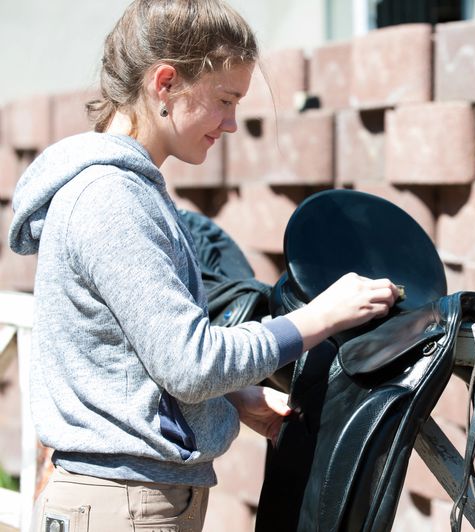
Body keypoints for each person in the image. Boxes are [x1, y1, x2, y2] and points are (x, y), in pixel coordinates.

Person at [8, 0, 399, 530]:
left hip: (125, 498)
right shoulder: (111, 200)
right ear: (165, 83)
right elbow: (190, 365)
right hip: (125, 504)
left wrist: (232, 393)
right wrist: (321, 317)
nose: (232, 123)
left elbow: (134, 353)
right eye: (224, 99)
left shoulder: (120, 191)